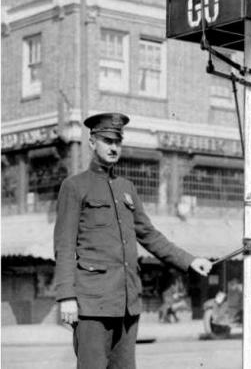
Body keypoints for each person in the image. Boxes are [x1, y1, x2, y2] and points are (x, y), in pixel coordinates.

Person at [54, 112, 212, 369]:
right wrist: (66, 297)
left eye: (118, 141)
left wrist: (190, 261)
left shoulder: (126, 188)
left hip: (128, 304)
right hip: (92, 305)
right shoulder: (74, 187)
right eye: (107, 141)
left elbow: (149, 235)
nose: (114, 147)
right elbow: (64, 245)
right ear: (92, 142)